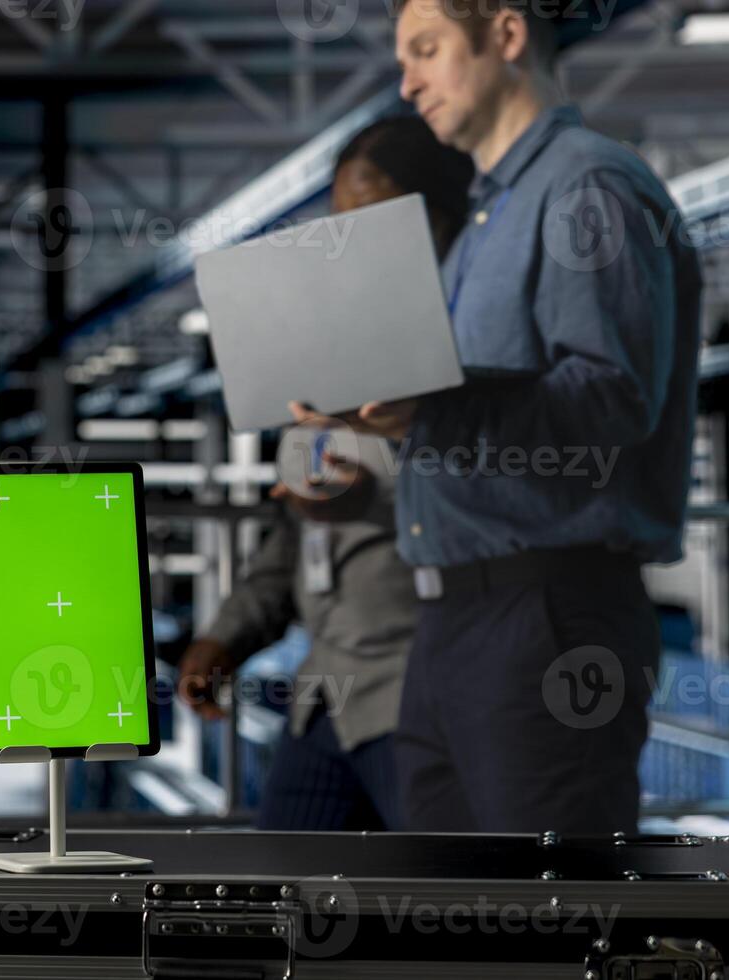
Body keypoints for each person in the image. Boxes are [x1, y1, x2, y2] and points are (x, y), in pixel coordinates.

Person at [325, 0, 702, 833]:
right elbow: (473, 414)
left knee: (549, 926)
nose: (406, 79)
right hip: (451, 619)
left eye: (426, 50)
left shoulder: (587, 190)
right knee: (445, 929)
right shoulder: (483, 226)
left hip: (548, 617)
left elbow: (614, 399)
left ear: (505, 35)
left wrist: (434, 414)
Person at [177, 116, 474, 832]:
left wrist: (377, 498)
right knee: (286, 898)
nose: (350, 244)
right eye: (341, 220)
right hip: (326, 695)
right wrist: (225, 637)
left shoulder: (467, 349)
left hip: (420, 689)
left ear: (435, 223)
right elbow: (293, 537)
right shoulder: (320, 370)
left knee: (433, 902)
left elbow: (506, 494)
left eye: (370, 220)